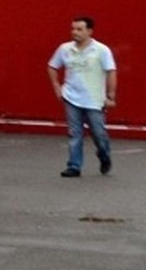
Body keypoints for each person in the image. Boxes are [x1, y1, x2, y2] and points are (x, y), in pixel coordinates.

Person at [47, 16, 117, 178]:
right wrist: (57, 86)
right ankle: (74, 165)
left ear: (89, 31)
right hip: (71, 97)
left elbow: (111, 71)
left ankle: (104, 154)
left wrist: (111, 95)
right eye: (73, 29)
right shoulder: (65, 49)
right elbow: (52, 66)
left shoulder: (101, 50)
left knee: (98, 133)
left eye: (79, 29)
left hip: (94, 99)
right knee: (74, 132)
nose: (75, 32)